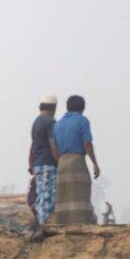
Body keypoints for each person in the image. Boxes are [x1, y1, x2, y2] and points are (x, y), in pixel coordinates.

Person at [52, 95, 100, 225]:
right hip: (76, 161)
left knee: (64, 195)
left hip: (61, 163)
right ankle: (81, 224)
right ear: (83, 108)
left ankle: (62, 224)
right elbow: (87, 143)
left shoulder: (57, 124)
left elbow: (54, 147)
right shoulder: (83, 121)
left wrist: (59, 161)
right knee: (79, 193)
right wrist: (95, 164)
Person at [27, 95, 60, 225]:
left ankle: (40, 224)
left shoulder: (36, 122)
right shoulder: (50, 122)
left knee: (40, 196)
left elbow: (32, 146)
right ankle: (45, 226)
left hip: (38, 164)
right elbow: (52, 143)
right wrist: (59, 160)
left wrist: (31, 164)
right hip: (48, 164)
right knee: (47, 198)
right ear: (54, 108)